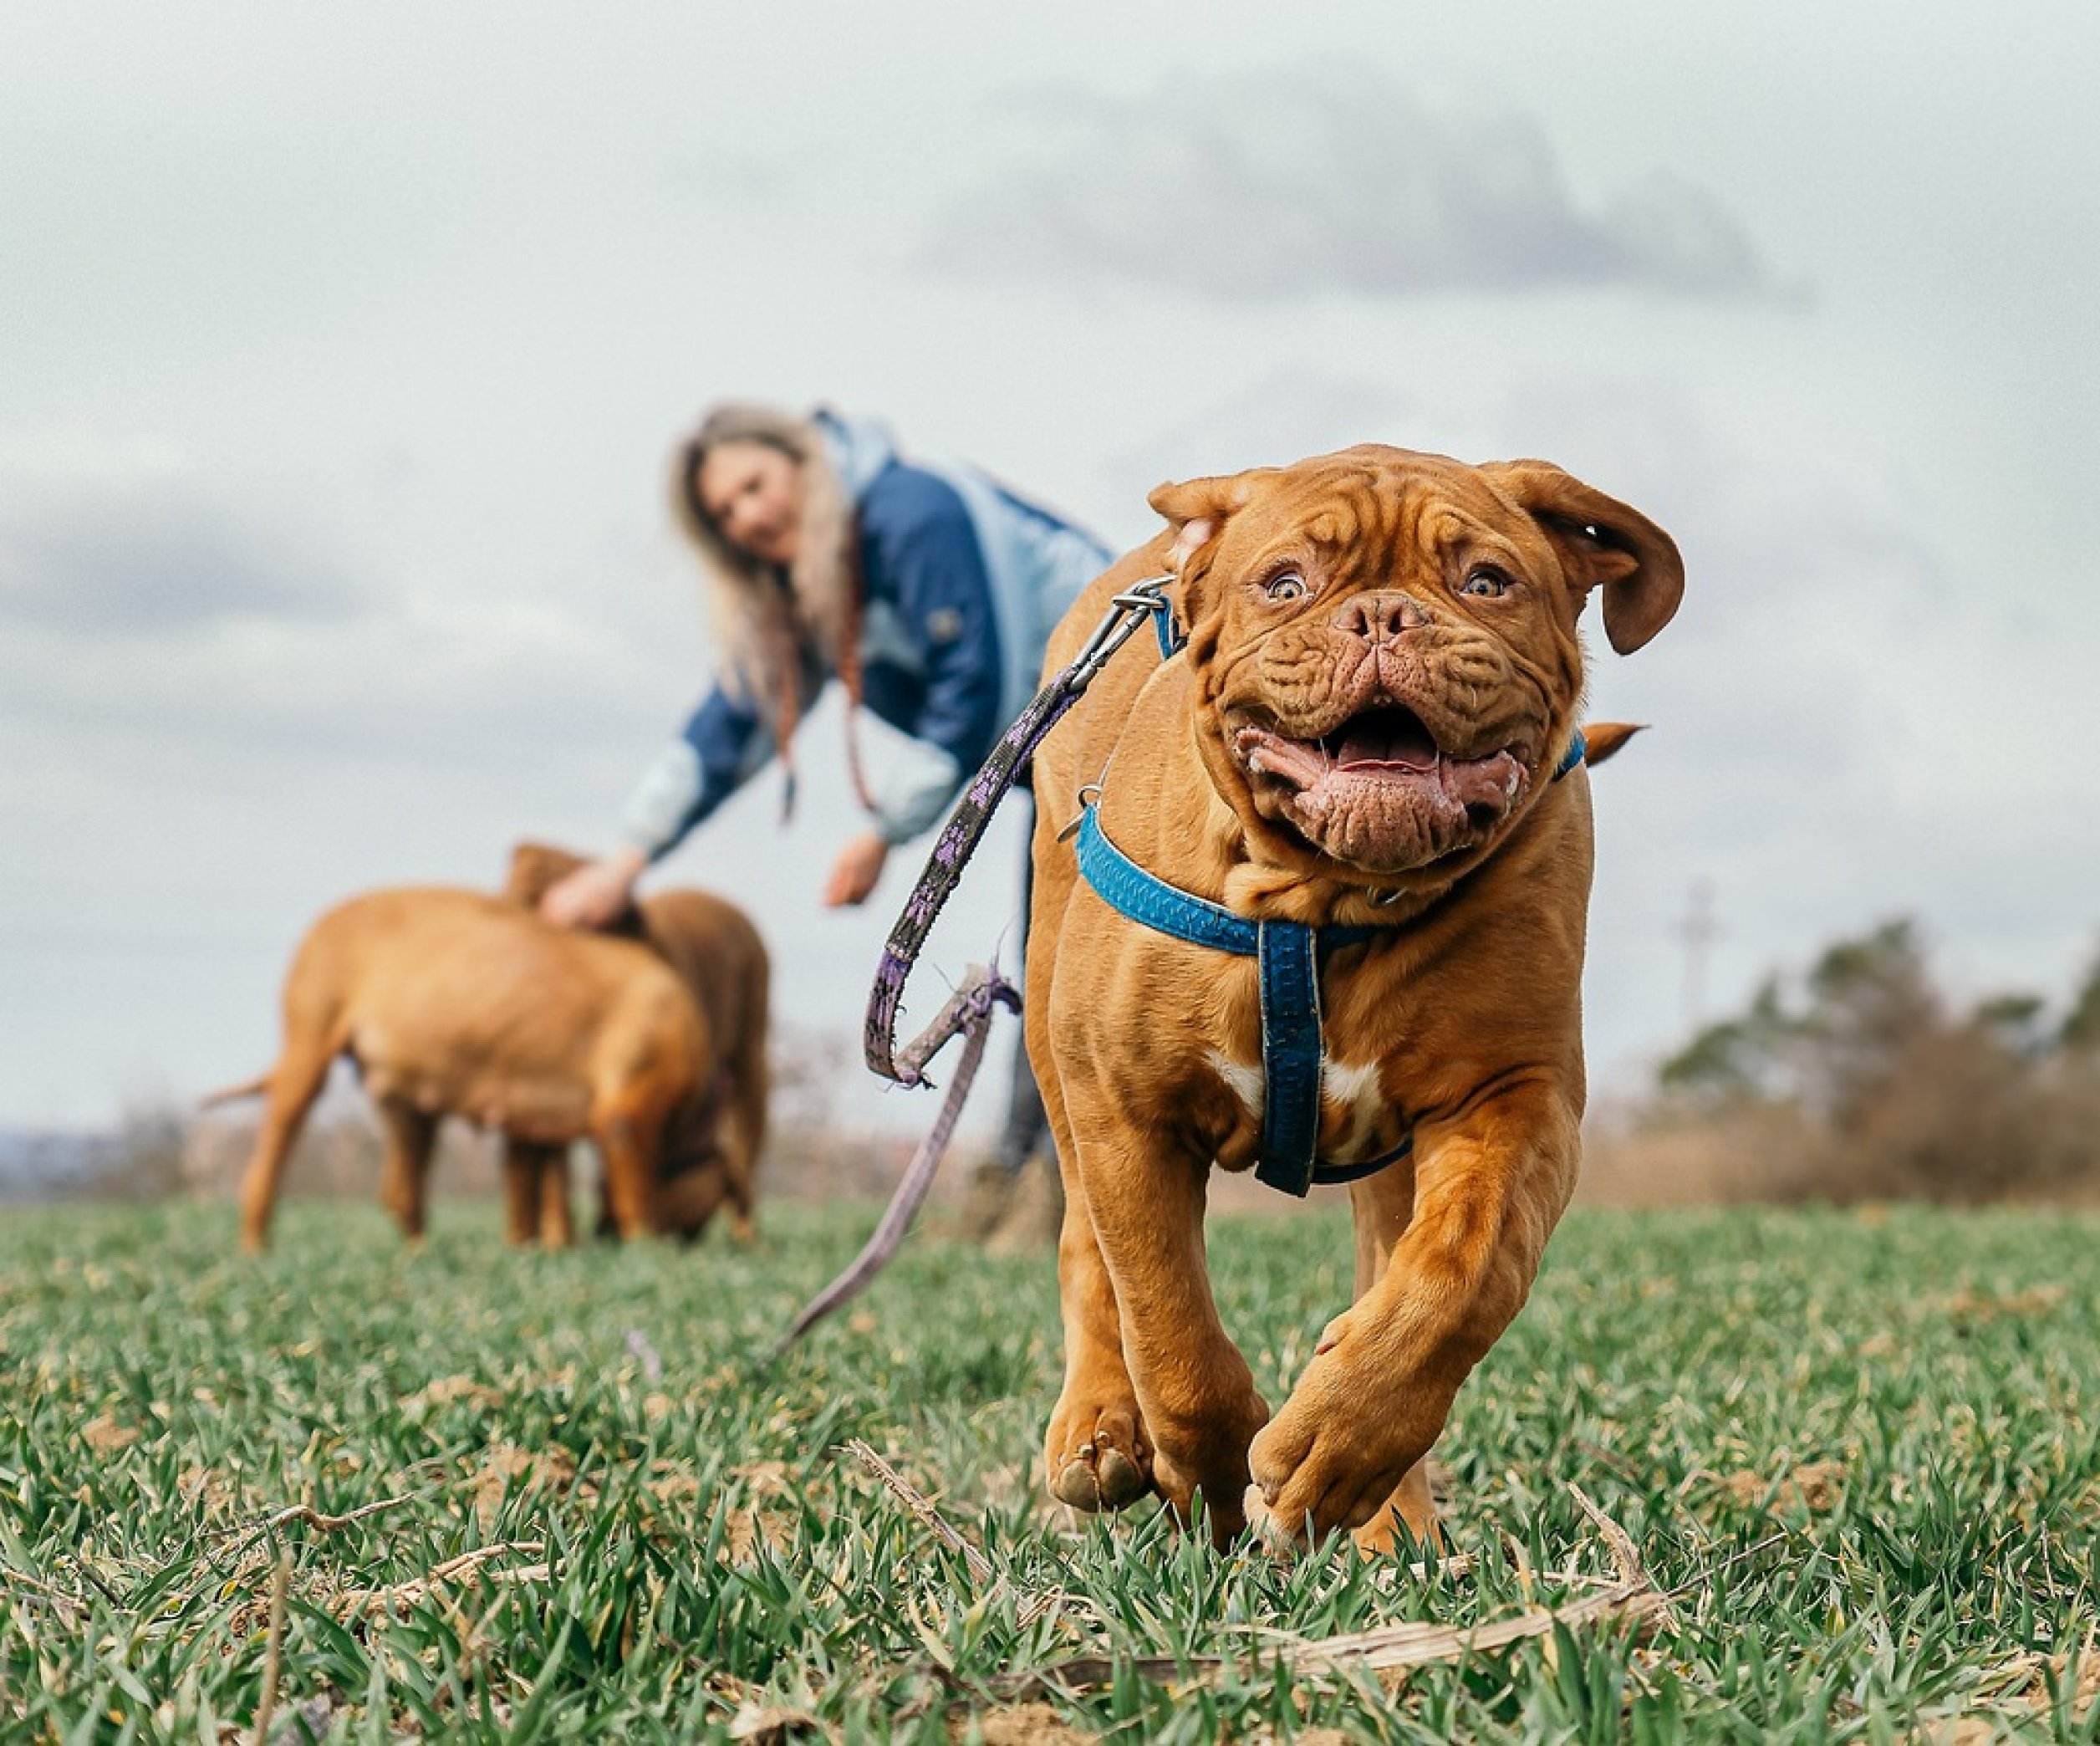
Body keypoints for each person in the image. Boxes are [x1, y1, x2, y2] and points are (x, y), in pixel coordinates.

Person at [541, 402, 1114, 1243]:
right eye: (723, 513)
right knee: (1049, 956)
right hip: (1059, 765)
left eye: (753, 486)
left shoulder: (912, 513)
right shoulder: (812, 588)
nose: (746, 517)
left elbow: (979, 685)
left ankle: (1045, 1194)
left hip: (1130, 725)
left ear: (804, 465)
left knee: (1068, 962)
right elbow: (733, 722)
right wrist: (627, 859)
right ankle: (1017, 1187)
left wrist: (885, 831)